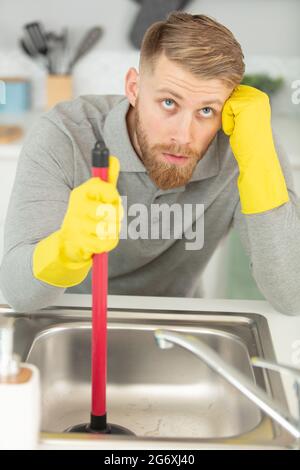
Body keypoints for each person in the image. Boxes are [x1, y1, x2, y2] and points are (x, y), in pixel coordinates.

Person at [1, 12, 300, 315]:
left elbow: (293, 296)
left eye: (207, 110)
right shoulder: (65, 135)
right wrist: (65, 249)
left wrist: (261, 157)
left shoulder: (246, 143)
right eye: (169, 103)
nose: (183, 136)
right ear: (133, 87)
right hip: (74, 315)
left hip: (179, 320)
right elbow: (18, 294)